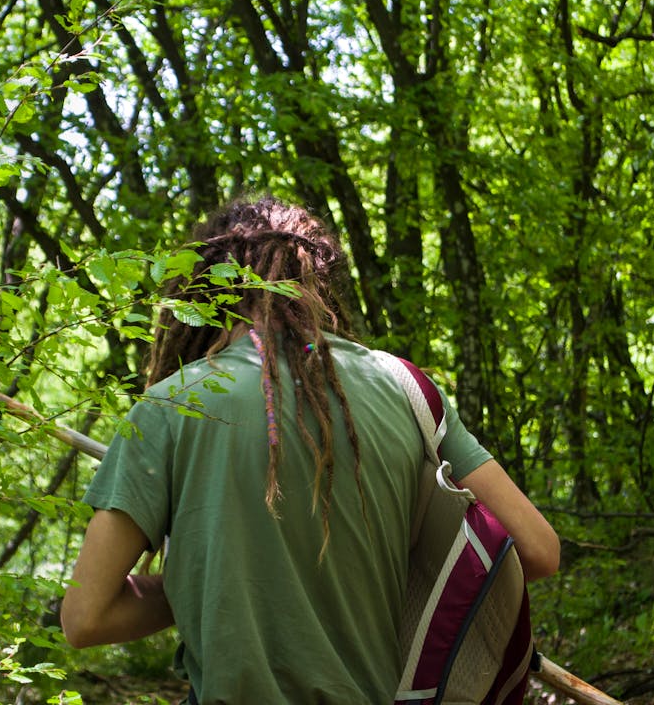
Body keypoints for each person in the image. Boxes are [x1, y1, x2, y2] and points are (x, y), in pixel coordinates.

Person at [60, 195, 559, 704]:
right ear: (319, 283)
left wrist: (204, 579)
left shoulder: (174, 405)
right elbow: (537, 551)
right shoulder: (407, 391)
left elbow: (84, 617)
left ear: (206, 289)